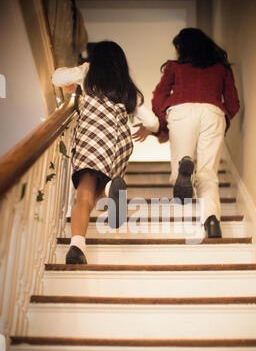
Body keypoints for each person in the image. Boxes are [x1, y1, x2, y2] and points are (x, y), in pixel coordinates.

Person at [52, 41, 159, 264]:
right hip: (117, 143)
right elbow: (153, 121)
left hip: (91, 137)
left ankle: (77, 245)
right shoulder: (127, 87)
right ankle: (111, 189)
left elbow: (57, 78)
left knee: (84, 196)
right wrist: (149, 129)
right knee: (101, 184)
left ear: (95, 60)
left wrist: (73, 79)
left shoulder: (87, 71)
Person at [136, 28, 240, 238]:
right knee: (208, 174)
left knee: (181, 163)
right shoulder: (221, 68)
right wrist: (222, 119)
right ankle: (211, 221)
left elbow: (158, 98)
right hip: (213, 113)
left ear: (183, 49)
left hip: (181, 112)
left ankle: (182, 175)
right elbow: (233, 103)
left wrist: (162, 127)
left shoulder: (174, 67)